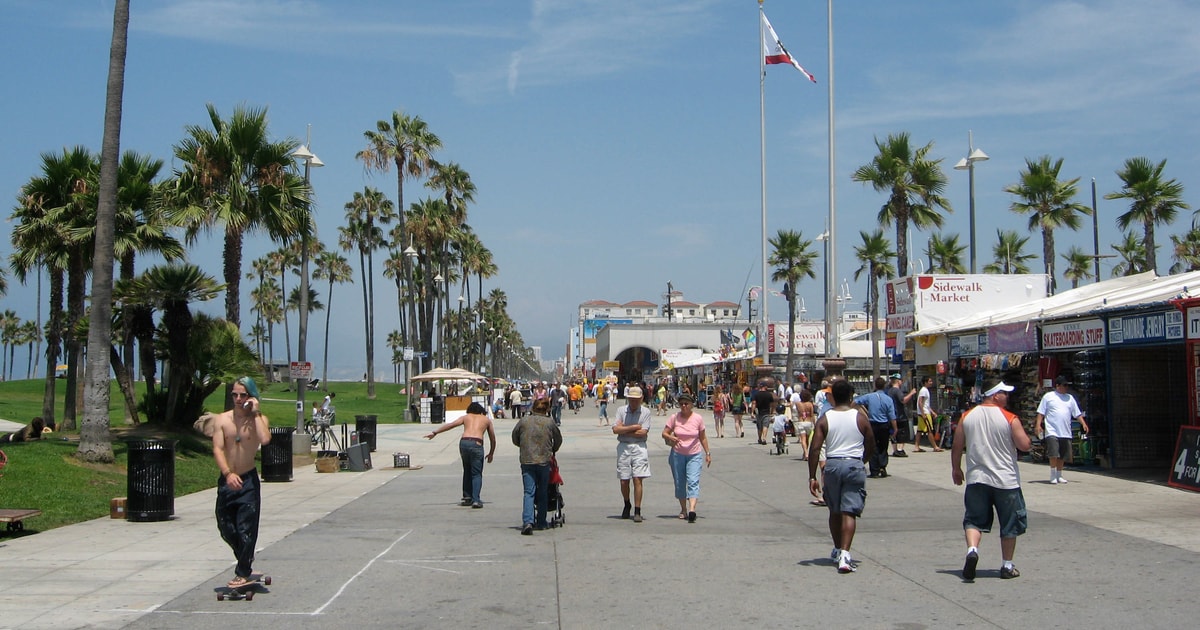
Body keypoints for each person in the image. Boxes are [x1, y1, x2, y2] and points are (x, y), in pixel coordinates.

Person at [951, 380, 1032, 581]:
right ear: (995, 395)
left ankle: (972, 550)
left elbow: (957, 445)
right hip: (1006, 481)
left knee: (973, 520)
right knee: (1010, 523)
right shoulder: (1010, 418)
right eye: (1005, 393)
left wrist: (956, 468)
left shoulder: (967, 416)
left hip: (977, 479)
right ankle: (1007, 565)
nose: (1008, 396)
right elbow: (1024, 446)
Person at [808, 379, 874, 573]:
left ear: (833, 397)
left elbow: (815, 449)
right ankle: (845, 552)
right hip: (854, 463)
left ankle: (838, 548)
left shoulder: (825, 418)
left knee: (834, 510)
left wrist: (812, 476)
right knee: (849, 511)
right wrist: (863, 461)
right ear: (851, 396)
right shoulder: (860, 418)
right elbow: (871, 442)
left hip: (833, 464)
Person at [212, 376, 272, 589]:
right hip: (228, 480)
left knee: (245, 527)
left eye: (243, 395)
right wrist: (227, 473)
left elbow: (265, 440)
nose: (238, 399)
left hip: (248, 481)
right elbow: (218, 448)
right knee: (225, 526)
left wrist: (255, 411)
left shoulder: (259, 420)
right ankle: (245, 560)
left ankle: (242, 572)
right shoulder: (222, 420)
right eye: (235, 395)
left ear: (251, 396)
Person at [425, 402, 497, 509]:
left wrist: (435, 432)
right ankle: (476, 500)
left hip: (464, 443)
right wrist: (491, 453)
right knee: (476, 474)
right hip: (477, 443)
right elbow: (493, 438)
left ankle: (467, 497)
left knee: (467, 470)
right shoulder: (486, 420)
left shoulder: (465, 417)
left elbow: (451, 425)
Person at [512, 397, 563, 534]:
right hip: (544, 461)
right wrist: (553, 449)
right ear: (547, 409)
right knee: (542, 492)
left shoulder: (524, 421)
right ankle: (541, 522)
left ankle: (528, 522)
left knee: (529, 492)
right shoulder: (549, 423)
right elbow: (558, 439)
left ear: (533, 408)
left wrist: (524, 446)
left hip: (527, 460)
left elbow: (515, 437)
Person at [662, 393, 711, 523]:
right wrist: (670, 437)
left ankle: (692, 509)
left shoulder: (698, 418)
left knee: (693, 480)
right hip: (677, 454)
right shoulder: (674, 418)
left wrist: (707, 453)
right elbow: (664, 433)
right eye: (681, 404)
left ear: (691, 405)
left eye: (686, 404)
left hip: (694, 454)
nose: (683, 406)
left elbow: (702, 437)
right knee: (680, 482)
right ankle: (683, 509)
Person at [1034, 375, 1089, 484]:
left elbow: (1077, 413)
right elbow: (1041, 412)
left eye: (1067, 385)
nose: (1066, 387)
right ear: (1057, 386)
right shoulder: (1048, 396)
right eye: (1064, 385)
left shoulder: (1070, 398)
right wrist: (1038, 425)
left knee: (1063, 455)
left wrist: (1083, 423)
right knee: (1054, 453)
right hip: (1052, 430)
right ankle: (1053, 474)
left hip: (1065, 431)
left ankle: (1059, 474)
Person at [613, 385, 652, 522]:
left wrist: (624, 429)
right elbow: (615, 429)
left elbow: (644, 432)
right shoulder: (621, 411)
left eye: (636, 400)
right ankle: (626, 502)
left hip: (639, 447)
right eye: (631, 399)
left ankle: (637, 510)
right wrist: (634, 427)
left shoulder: (645, 412)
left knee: (638, 478)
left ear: (641, 399)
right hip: (624, 446)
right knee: (624, 480)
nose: (634, 402)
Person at [858, 376, 897, 478]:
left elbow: (856, 401)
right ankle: (882, 466)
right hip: (884, 425)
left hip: (872, 425)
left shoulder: (869, 396)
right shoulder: (888, 399)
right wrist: (895, 428)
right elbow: (892, 416)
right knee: (883, 446)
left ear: (875, 385)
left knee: (873, 446)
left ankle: (874, 470)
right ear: (884, 386)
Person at [887, 373, 916, 457]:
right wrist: (911, 393)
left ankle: (895, 450)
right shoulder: (897, 391)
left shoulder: (889, 391)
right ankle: (900, 449)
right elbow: (903, 400)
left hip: (892, 416)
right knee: (903, 433)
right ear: (898, 381)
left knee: (894, 433)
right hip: (900, 415)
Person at [914, 376, 940, 452]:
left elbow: (926, 405)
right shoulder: (924, 390)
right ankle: (935, 446)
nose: (931, 383)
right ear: (925, 382)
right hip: (924, 413)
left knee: (919, 430)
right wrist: (923, 413)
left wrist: (932, 412)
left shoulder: (925, 390)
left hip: (924, 412)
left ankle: (916, 446)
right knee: (929, 430)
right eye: (930, 381)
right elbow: (920, 402)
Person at [749, 380, 778, 445]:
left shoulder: (756, 394)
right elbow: (772, 404)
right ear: (765, 387)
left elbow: (754, 403)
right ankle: (764, 438)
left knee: (759, 426)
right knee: (765, 425)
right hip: (766, 412)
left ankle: (759, 438)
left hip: (758, 412)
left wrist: (752, 412)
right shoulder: (769, 394)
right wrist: (772, 411)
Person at [793, 389, 815, 457]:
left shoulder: (798, 404)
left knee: (803, 439)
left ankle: (805, 453)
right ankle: (806, 452)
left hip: (801, 422)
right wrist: (814, 423)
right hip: (808, 422)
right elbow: (812, 415)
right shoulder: (810, 404)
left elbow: (797, 411)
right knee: (807, 439)